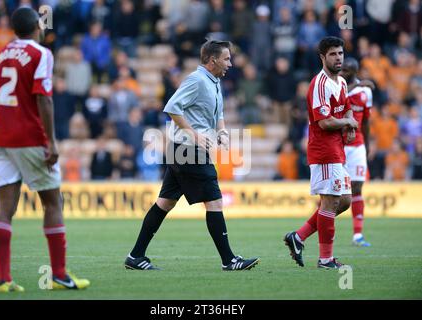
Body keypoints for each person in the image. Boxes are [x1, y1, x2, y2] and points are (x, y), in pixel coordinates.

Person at [124, 39, 259, 271]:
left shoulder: (214, 81)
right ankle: (229, 260)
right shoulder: (196, 80)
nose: (230, 63)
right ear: (213, 60)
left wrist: (222, 131)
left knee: (164, 203)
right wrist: (195, 135)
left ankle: (135, 256)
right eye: (226, 59)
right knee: (215, 201)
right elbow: (172, 107)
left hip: (183, 149)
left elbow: (218, 112)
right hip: (188, 149)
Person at [0, 7, 89, 292]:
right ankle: (58, 275)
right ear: (36, 26)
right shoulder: (41, 53)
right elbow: (43, 99)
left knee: (5, 208)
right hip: (29, 137)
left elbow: (0, 92)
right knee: (52, 203)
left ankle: (4, 279)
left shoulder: (2, 52)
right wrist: (51, 141)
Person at [283, 36, 358, 269]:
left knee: (344, 201)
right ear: (322, 57)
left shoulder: (342, 83)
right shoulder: (319, 84)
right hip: (323, 150)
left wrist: (350, 125)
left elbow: (347, 111)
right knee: (330, 202)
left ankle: (298, 236)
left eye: (341, 53)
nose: (338, 58)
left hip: (338, 149)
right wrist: (347, 121)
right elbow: (324, 123)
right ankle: (325, 259)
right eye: (333, 54)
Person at [340, 58, 374, 247]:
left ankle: (358, 235)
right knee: (334, 192)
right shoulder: (336, 87)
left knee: (358, 187)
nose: (343, 71)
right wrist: (359, 82)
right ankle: (320, 225)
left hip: (358, 145)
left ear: (354, 71)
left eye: (347, 70)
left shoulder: (365, 92)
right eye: (342, 69)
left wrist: (367, 145)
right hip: (339, 145)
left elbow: (367, 121)